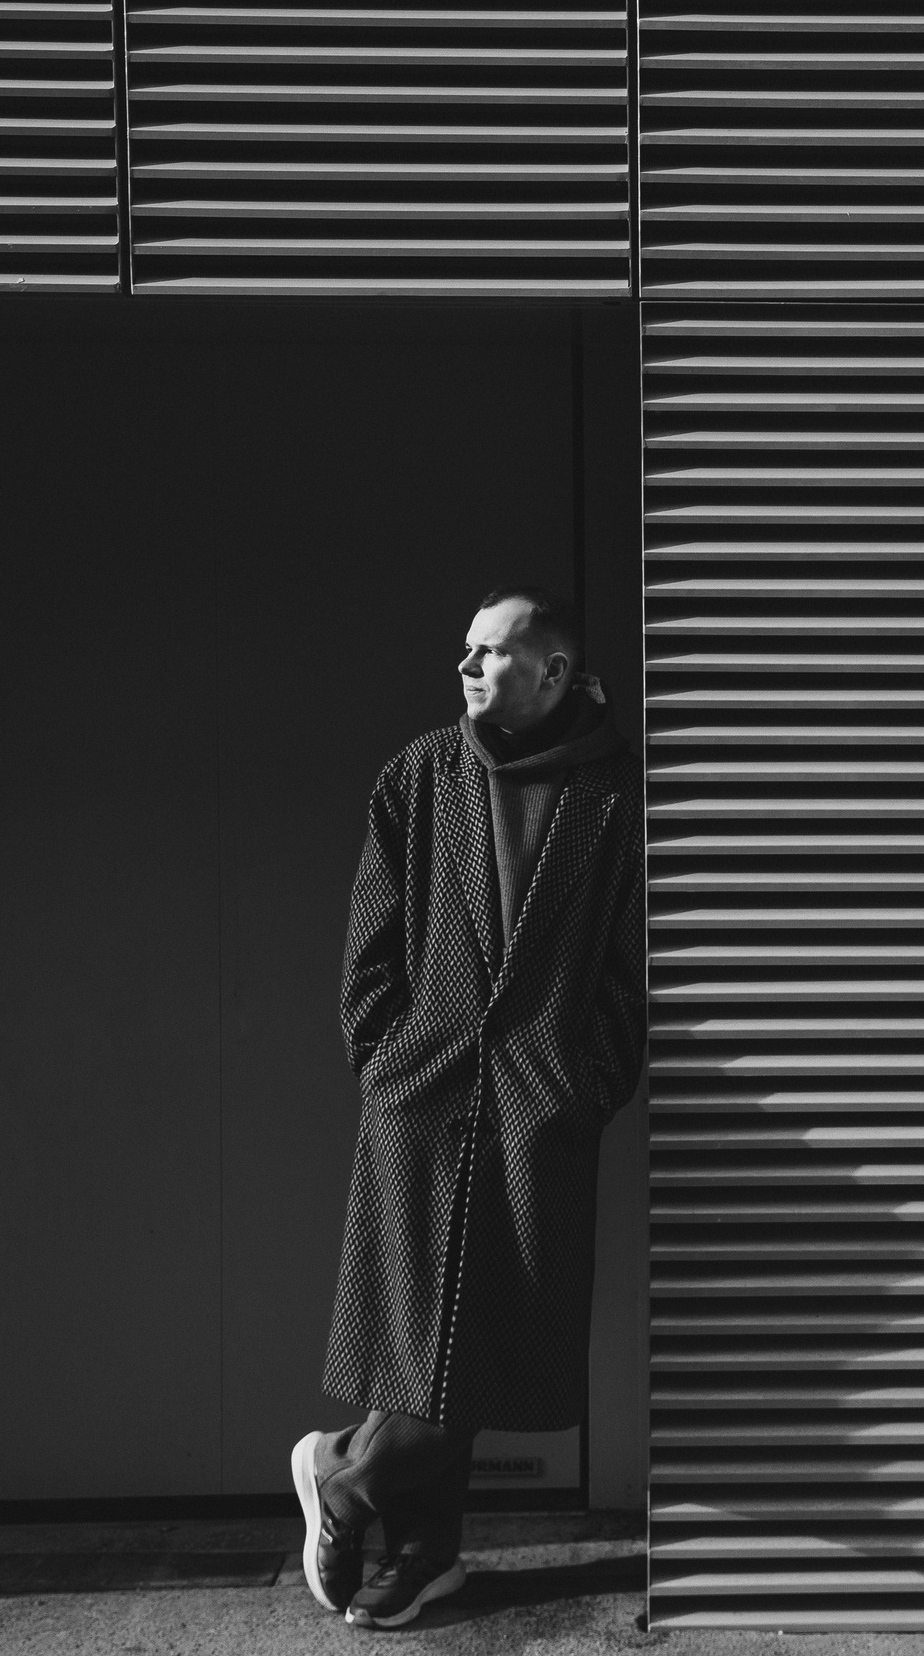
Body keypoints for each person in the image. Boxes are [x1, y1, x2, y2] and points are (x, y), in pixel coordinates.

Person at [290, 585, 646, 1629]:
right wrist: (387, 1059)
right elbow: (371, 939)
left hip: (538, 1106)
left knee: (491, 1338)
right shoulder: (420, 773)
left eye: (491, 653)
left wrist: (581, 1087)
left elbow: (628, 976)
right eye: (464, 650)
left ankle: (344, 1472)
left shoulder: (613, 797)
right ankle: (426, 1558)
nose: (466, 667)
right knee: (422, 1336)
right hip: (423, 1099)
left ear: (553, 673)